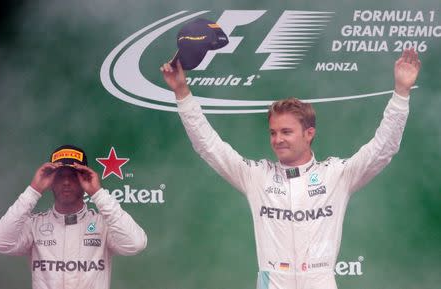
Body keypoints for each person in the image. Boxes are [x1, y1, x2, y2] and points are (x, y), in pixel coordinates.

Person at [160, 48, 421, 289]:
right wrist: (182, 93)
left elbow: (383, 148)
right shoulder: (256, 176)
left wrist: (401, 94)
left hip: (319, 280)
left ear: (309, 133)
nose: (278, 139)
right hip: (273, 281)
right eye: (273, 132)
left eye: (286, 131)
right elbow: (209, 146)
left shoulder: (336, 175)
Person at [0, 144, 147, 289]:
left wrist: (98, 193)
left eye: (73, 176)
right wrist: (33, 190)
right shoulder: (35, 224)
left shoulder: (103, 224)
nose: (66, 182)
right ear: (50, 182)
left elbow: (135, 244)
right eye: (59, 176)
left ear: (85, 179)